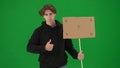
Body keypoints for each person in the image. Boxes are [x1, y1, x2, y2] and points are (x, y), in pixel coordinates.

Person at [27, 4, 84, 68]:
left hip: (62, 65)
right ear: (43, 16)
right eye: (46, 14)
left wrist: (76, 55)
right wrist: (44, 48)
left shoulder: (64, 28)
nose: (49, 16)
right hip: (46, 65)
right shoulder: (39, 31)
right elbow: (29, 47)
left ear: (54, 14)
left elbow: (69, 47)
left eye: (50, 14)